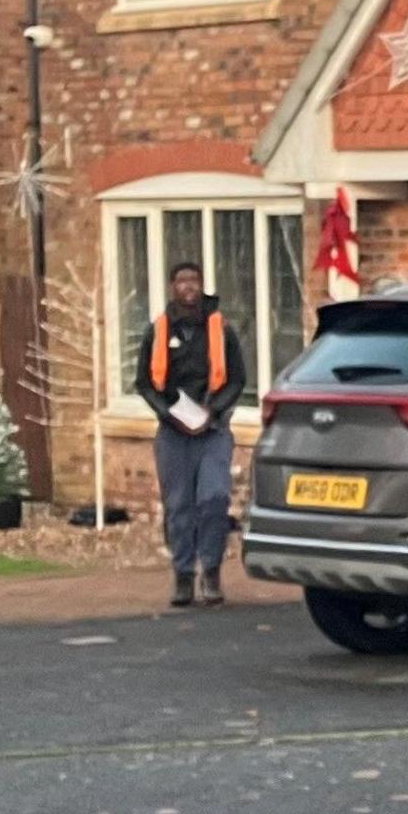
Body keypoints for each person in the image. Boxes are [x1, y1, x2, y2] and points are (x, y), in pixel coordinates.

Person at [136, 260, 248, 607]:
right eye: (182, 281)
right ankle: (183, 575)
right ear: (172, 287)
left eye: (194, 281)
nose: (189, 287)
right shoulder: (157, 331)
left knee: (214, 499)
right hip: (173, 432)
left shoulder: (221, 328)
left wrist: (211, 412)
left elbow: (238, 379)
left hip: (213, 429)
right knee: (179, 505)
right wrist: (169, 413)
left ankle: (211, 571)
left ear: (201, 286)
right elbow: (144, 382)